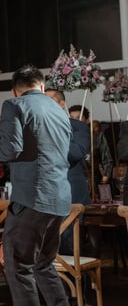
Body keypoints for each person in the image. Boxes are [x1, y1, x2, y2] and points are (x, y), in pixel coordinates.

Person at [0, 65, 85, 306]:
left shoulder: (15, 105)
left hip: (31, 199)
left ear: (14, 90)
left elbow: (10, 148)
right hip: (58, 198)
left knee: (17, 267)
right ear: (42, 85)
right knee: (43, 265)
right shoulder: (57, 108)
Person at [45, 89, 91, 254]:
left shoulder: (78, 127)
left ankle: (74, 272)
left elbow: (76, 153)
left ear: (61, 104)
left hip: (69, 193)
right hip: (42, 195)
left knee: (69, 245)